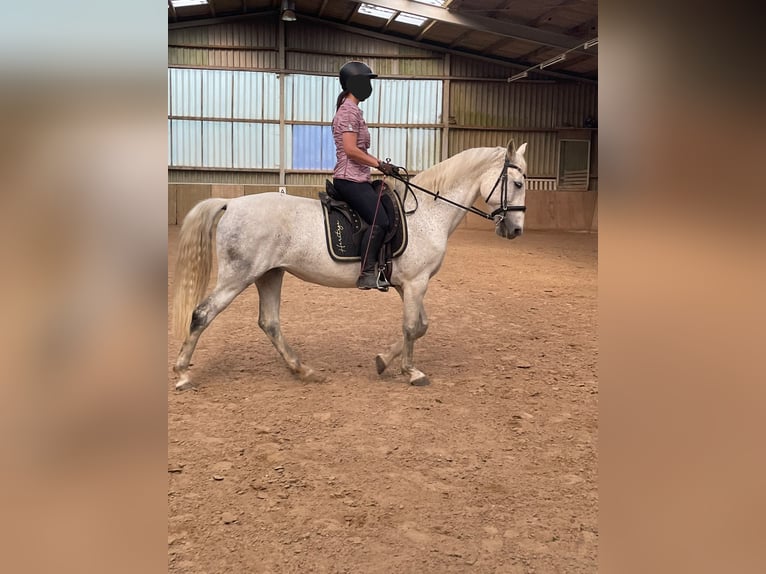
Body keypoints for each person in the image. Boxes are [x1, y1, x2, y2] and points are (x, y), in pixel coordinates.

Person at [331, 61, 397, 291]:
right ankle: (366, 273)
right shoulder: (348, 111)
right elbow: (351, 150)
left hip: (360, 177)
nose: (369, 86)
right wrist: (379, 164)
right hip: (349, 178)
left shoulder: (354, 111)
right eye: (366, 81)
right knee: (380, 220)